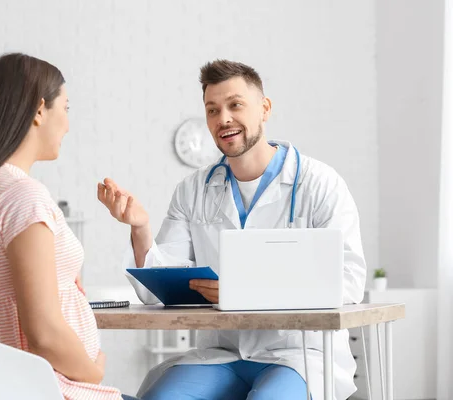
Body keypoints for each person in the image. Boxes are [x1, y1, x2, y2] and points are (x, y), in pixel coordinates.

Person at [98, 60, 367, 400]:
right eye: (212, 110)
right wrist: (140, 228)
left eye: (235, 104)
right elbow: (155, 291)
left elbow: (350, 279)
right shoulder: (192, 190)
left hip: (297, 355)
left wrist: (248, 292)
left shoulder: (320, 184)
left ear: (264, 109)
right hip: (222, 353)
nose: (222, 118)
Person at [0, 53, 137, 400]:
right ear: (40, 110)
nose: (69, 125)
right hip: (50, 388)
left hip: (4, 383)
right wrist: (94, 369)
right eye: (67, 109)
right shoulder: (23, 195)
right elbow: (42, 332)